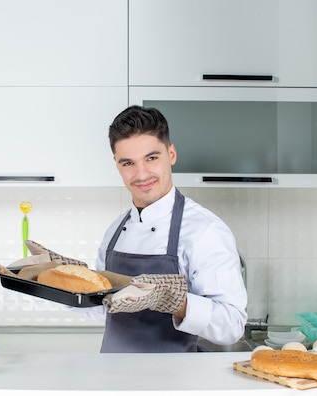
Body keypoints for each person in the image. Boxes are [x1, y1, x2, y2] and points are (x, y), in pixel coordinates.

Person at [94, 105, 248, 353]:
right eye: (128, 163)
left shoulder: (205, 231)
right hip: (114, 382)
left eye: (152, 158)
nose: (141, 174)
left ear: (171, 153)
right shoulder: (115, 230)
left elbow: (232, 325)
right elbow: (103, 312)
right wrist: (62, 287)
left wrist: (176, 301)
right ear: (116, 164)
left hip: (174, 384)